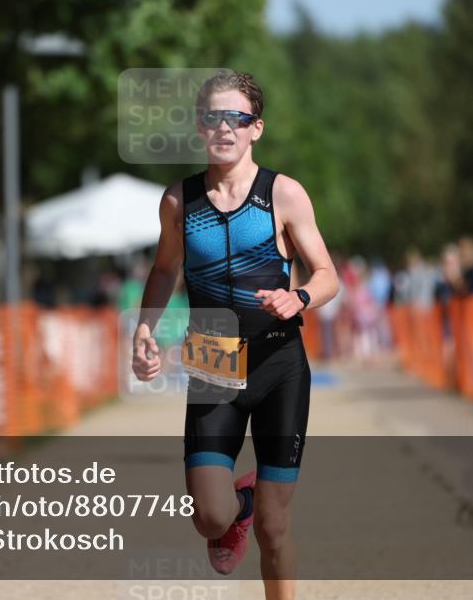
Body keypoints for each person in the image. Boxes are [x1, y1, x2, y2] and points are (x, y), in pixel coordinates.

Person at [130, 70, 339, 600]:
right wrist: (144, 330)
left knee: (275, 526)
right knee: (209, 516)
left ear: (256, 129)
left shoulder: (284, 194)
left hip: (278, 362)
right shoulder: (179, 201)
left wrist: (301, 297)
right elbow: (162, 270)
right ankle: (235, 506)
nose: (224, 127)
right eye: (212, 117)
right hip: (212, 356)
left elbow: (327, 274)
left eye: (236, 118)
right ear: (200, 127)